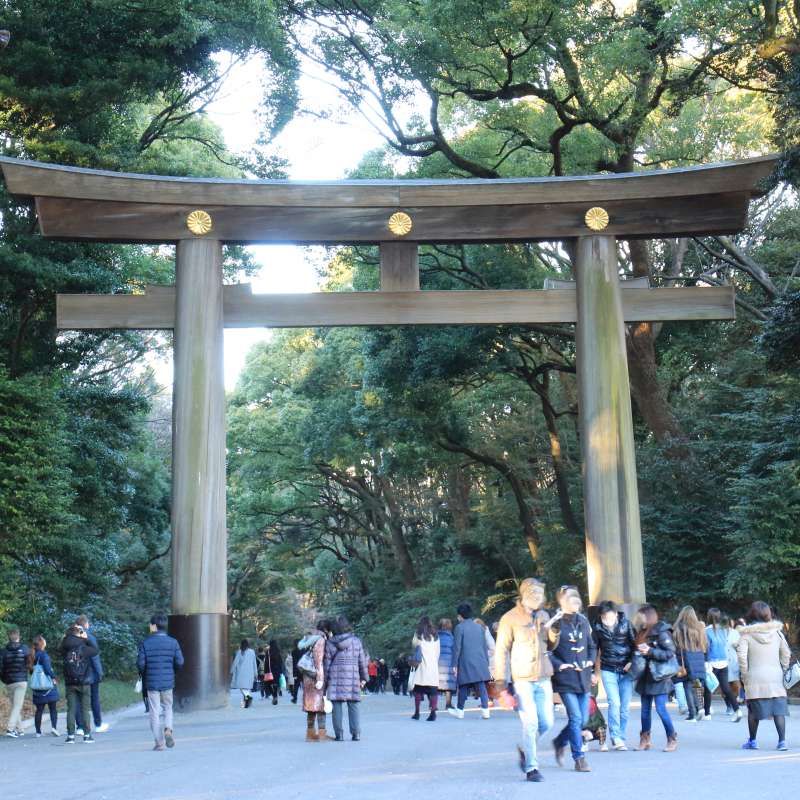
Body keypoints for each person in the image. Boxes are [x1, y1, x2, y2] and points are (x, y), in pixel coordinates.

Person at [495, 578, 554, 783]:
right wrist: (501, 684)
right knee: (531, 723)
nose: (538, 598)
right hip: (522, 678)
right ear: (524, 595)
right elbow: (501, 651)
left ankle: (527, 749)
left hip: (544, 676)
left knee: (547, 722)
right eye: (534, 594)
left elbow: (552, 646)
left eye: (540, 595)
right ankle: (532, 768)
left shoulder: (545, 615)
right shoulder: (509, 618)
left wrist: (553, 632)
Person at [550, 586, 596, 773]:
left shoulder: (584, 621)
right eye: (571, 599)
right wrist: (559, 664)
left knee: (582, 718)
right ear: (562, 602)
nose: (576, 602)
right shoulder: (556, 623)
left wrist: (590, 663)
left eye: (577, 599)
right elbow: (547, 650)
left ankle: (560, 741)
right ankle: (579, 758)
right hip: (566, 678)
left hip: (583, 677)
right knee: (576, 717)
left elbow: (592, 646)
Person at [737, 601, 791, 751]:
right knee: (778, 710)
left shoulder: (746, 635)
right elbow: (786, 653)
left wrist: (745, 673)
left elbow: (741, 656)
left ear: (752, 614)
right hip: (775, 676)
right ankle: (782, 742)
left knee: (753, 710)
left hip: (754, 676)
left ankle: (753, 741)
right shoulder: (777, 633)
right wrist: (783, 668)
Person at [634, 604, 678, 752]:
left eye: (641, 616)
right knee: (644, 711)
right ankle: (645, 739)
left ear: (648, 617)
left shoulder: (662, 632)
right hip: (645, 676)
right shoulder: (641, 632)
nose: (638, 619)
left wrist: (650, 651)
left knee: (661, 709)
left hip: (659, 676)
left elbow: (670, 652)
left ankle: (671, 738)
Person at [136, 613, 184, 751]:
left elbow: (140, 664)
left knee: (154, 711)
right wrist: (172, 671)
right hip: (168, 681)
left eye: (150, 624)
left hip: (151, 682)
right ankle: (168, 729)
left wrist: (144, 672)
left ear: (154, 626)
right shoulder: (173, 642)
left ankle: (159, 742)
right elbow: (180, 662)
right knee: (168, 707)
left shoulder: (145, 643)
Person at [592, 600, 636, 750]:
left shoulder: (626, 624)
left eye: (610, 617)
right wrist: (592, 671)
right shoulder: (597, 627)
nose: (608, 621)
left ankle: (621, 736)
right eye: (604, 618)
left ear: (616, 614)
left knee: (624, 707)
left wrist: (631, 661)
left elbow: (636, 644)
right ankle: (616, 737)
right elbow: (593, 649)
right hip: (608, 669)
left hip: (626, 670)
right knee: (614, 703)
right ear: (601, 616)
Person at [324, 616, 369, 740]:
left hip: (335, 677)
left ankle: (339, 735)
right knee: (353, 704)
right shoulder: (356, 641)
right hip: (353, 676)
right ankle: (356, 734)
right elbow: (362, 662)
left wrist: (325, 681)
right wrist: (364, 678)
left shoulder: (330, 643)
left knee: (336, 705)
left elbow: (327, 664)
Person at [449, 603, 492, 719]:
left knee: (463, 685)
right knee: (481, 684)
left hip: (465, 661)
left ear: (459, 616)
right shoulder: (479, 627)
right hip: (480, 660)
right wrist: (487, 662)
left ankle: (460, 711)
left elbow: (457, 647)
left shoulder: (459, 627)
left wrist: (454, 664)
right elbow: (484, 646)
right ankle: (485, 710)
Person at [60, 623, 99, 743]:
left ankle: (70, 736)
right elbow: (96, 650)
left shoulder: (64, 646)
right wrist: (86, 639)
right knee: (85, 709)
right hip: (84, 681)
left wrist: (64, 637)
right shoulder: (84, 647)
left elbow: (59, 649)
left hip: (70, 682)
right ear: (79, 634)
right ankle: (87, 735)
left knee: (71, 709)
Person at [703, 608, 742, 722]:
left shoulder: (706, 631)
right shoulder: (724, 630)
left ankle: (707, 713)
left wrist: (706, 662)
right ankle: (737, 710)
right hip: (724, 662)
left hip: (712, 662)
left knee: (708, 688)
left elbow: (706, 648)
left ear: (709, 617)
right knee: (726, 688)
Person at [672, 606, 708, 723]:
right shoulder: (699, 628)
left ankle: (692, 714)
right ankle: (700, 708)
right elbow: (705, 646)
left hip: (686, 659)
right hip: (699, 658)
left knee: (687, 686)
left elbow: (676, 647)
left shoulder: (679, 628)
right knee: (697, 684)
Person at [74, 614, 108, 734]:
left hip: (75, 673)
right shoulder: (90, 638)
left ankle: (80, 727)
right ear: (86, 624)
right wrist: (99, 673)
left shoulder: (70, 638)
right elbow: (94, 657)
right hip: (90, 674)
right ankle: (98, 724)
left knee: (78, 700)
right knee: (94, 698)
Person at [299, 623, 328, 741]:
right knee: (321, 706)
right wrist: (320, 678)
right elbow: (318, 660)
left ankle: (310, 734)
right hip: (316, 676)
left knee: (311, 706)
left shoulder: (308, 639)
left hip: (307, 676)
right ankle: (321, 734)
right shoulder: (320, 640)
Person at [29, 635, 60, 737]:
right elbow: (47, 669)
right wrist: (54, 677)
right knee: (53, 708)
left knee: (39, 710)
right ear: (42, 644)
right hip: (48, 686)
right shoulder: (44, 656)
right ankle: (54, 728)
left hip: (37, 687)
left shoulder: (32, 656)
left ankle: (38, 732)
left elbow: (31, 672)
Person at [411, 616, 441, 721]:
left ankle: (417, 712)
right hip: (433, 666)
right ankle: (433, 713)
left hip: (422, 666)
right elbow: (438, 652)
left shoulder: (418, 635)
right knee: (433, 691)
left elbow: (414, 646)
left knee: (418, 691)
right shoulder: (436, 636)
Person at [2, 627, 30, 738]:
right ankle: (10, 729)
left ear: (9, 637)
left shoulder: (3, 651)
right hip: (21, 680)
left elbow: (1, 668)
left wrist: (4, 679)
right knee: (17, 706)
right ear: (19, 636)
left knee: (15, 705)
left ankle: (20, 729)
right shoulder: (25, 649)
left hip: (9, 682)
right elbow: (29, 663)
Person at [230, 639, 259, 708]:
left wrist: (231, 671)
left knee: (242, 687)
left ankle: (247, 698)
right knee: (247, 688)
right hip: (250, 673)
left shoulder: (239, 652)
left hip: (241, 673)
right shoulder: (252, 652)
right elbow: (254, 663)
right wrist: (256, 673)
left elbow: (235, 663)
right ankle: (247, 702)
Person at [437, 619, 457, 709]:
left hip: (438, 662)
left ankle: (432, 705)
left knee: (435, 684)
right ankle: (448, 704)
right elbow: (454, 650)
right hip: (448, 663)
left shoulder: (436, 636)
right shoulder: (451, 637)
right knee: (448, 684)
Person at [262, 640, 283, 705]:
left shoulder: (268, 652)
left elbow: (266, 662)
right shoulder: (278, 651)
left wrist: (265, 671)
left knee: (267, 684)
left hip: (270, 671)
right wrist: (280, 671)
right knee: (275, 684)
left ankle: (273, 695)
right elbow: (280, 662)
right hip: (277, 671)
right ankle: (275, 696)